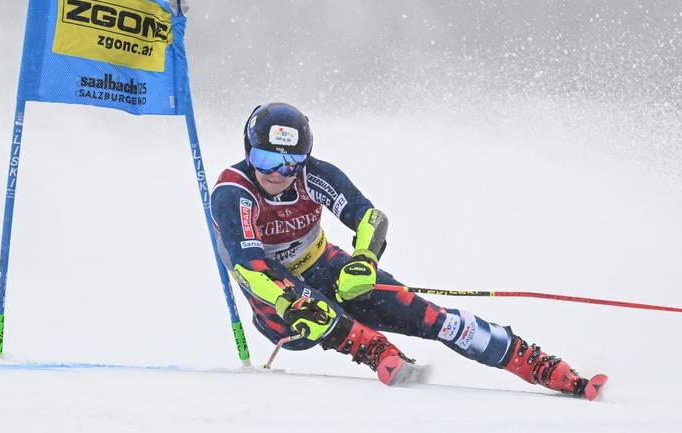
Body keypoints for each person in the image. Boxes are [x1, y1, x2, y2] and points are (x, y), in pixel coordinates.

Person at [210, 102, 607, 398]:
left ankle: (540, 366)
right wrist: (285, 302)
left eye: (291, 162)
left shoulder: (314, 176)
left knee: (428, 315)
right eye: (265, 159)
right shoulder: (234, 192)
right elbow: (250, 267)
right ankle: (376, 350)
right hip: (271, 297)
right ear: (248, 152)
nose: (278, 174)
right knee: (312, 309)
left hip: (321, 263)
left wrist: (364, 260)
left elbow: (370, 217)